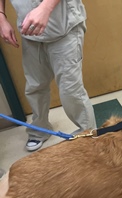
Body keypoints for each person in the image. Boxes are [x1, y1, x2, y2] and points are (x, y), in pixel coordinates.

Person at [0, 0, 96, 151]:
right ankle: (39, 130)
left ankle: (88, 135)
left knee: (70, 90)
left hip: (64, 27)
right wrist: (1, 17)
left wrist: (45, 7)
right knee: (34, 86)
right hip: (29, 31)